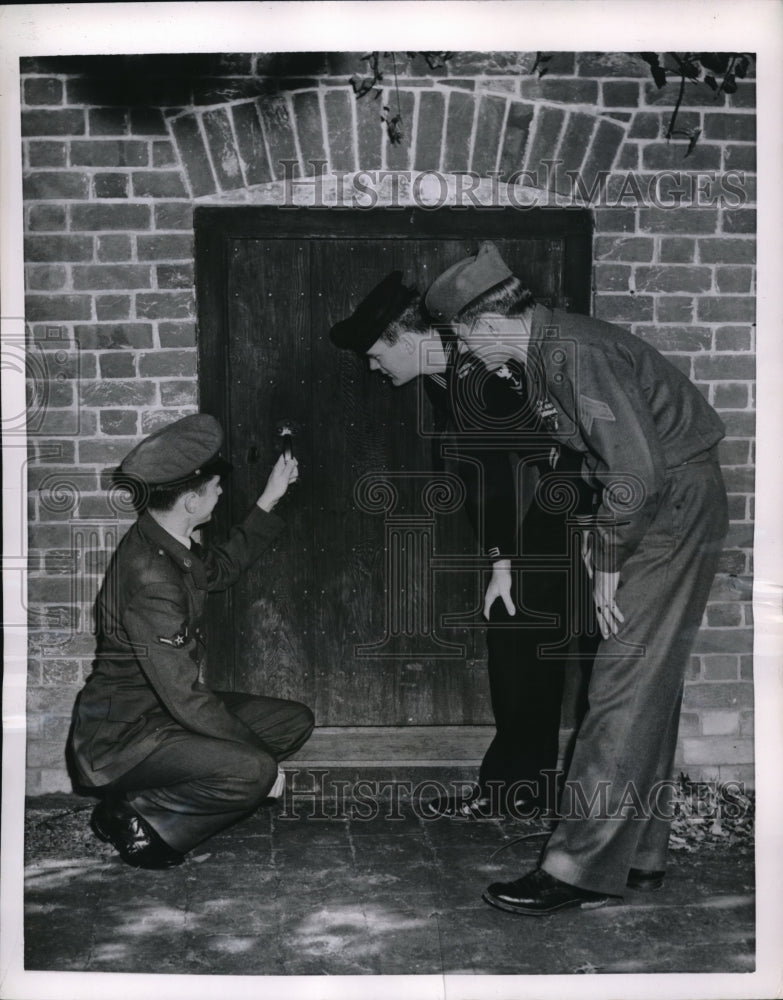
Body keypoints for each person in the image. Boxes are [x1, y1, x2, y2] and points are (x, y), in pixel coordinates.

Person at [424, 242, 729, 913]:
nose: (467, 356)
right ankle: (635, 860)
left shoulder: (568, 352)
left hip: (670, 504)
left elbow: (636, 471)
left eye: (463, 341)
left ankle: (575, 869)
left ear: (484, 321)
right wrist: (598, 542)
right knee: (644, 685)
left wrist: (607, 555)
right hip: (660, 501)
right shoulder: (546, 352)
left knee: (619, 680)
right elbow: (604, 462)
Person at [329, 264, 598, 818]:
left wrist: (504, 563)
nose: (376, 369)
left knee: (553, 650)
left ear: (403, 337)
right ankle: (519, 789)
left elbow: (501, 471)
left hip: (564, 515)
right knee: (518, 649)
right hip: (532, 523)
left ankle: (559, 797)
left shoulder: (481, 370)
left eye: (377, 355)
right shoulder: (442, 376)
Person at [69, 413, 314, 869]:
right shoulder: (151, 577)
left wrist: (269, 499)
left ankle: (152, 790)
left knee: (291, 722)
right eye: (215, 486)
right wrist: (266, 766)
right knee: (256, 770)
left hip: (160, 713)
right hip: (125, 736)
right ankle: (138, 819)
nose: (220, 491)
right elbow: (185, 696)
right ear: (190, 500)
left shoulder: (162, 536)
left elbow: (216, 571)